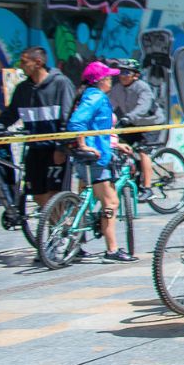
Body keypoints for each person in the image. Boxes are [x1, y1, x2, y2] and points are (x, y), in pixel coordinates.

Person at [0, 47, 76, 209]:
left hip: (55, 150)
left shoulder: (61, 83)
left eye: (24, 62)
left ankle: (62, 224)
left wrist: (61, 148)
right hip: (34, 150)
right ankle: (54, 222)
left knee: (55, 195)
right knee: (38, 195)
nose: (21, 66)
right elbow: (9, 115)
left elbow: (68, 118)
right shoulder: (23, 89)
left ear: (38, 63)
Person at [66, 62, 131, 261]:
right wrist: (83, 145)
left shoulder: (88, 95)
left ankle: (75, 246)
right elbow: (77, 122)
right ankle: (112, 250)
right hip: (95, 158)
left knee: (83, 202)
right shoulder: (96, 96)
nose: (111, 80)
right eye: (108, 77)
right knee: (111, 202)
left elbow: (97, 128)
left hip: (92, 154)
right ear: (100, 80)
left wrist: (115, 145)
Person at [108, 59, 166, 193]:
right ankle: (133, 171)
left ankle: (147, 188)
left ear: (136, 75)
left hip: (151, 124)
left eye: (126, 72)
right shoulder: (117, 89)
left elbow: (143, 107)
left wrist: (128, 117)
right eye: (121, 72)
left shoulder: (142, 87)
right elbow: (109, 106)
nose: (122, 75)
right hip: (133, 123)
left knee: (143, 150)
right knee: (117, 144)